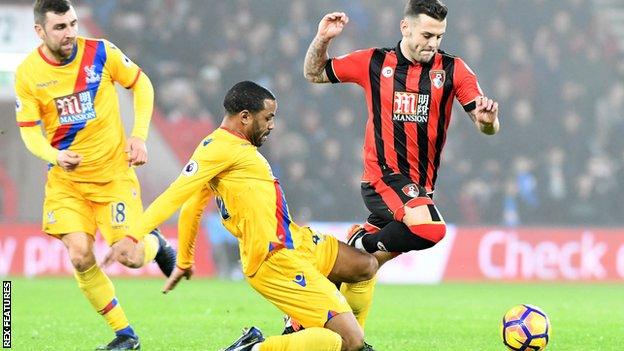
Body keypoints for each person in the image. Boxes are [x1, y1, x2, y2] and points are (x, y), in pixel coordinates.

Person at [105, 81, 378, 351]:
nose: (272, 125)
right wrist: (133, 235)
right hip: (273, 258)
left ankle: (311, 331)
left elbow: (193, 206)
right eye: (268, 118)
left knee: (365, 266)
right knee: (346, 341)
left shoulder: (236, 149)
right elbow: (175, 195)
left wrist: (185, 259)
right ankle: (254, 348)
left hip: (296, 241)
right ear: (245, 116)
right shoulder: (217, 147)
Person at [303, 0, 500, 329]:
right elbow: (314, 73)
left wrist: (489, 121)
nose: (433, 43)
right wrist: (323, 39)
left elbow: (486, 126)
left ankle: (320, 322)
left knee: (363, 267)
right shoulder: (374, 62)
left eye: (439, 37)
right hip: (382, 178)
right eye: (426, 35)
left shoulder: (454, 70)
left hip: (418, 190)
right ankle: (359, 243)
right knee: (431, 229)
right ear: (404, 27)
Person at [14, 1, 176, 349]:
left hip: (113, 177)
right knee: (79, 255)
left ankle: (156, 243)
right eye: (60, 27)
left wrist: (140, 135)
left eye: (72, 23)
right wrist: (55, 156)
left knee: (129, 256)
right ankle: (125, 335)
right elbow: (28, 131)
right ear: (39, 31)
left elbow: (142, 84)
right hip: (67, 184)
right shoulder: (28, 74)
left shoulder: (100, 52)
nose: (70, 32)